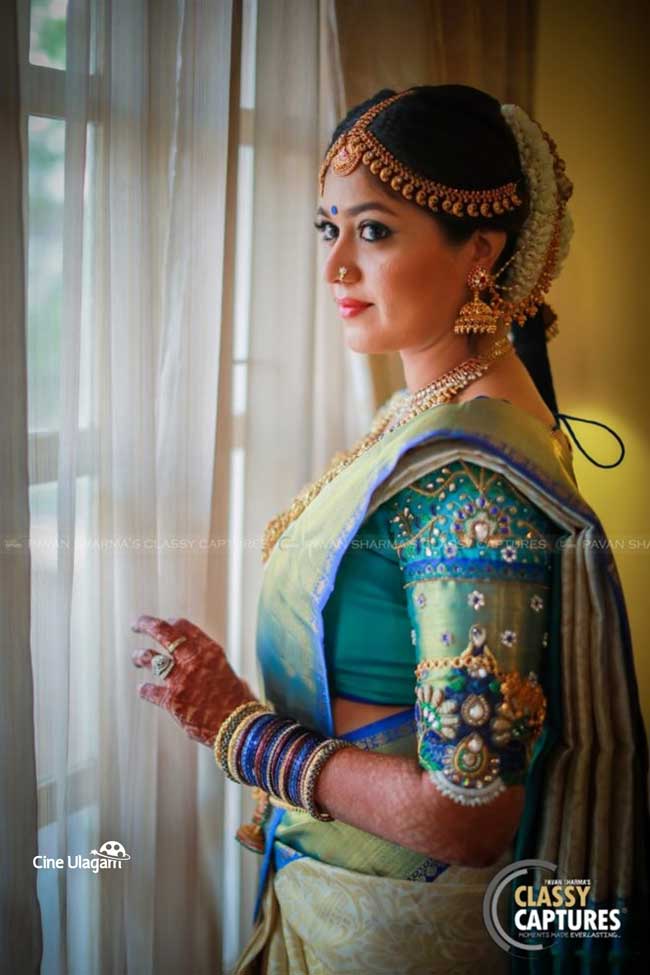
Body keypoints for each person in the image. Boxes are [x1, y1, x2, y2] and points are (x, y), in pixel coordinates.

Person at [131, 85, 649, 974]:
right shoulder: (420, 418)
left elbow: (468, 811)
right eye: (327, 228)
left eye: (372, 231)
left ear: (481, 249)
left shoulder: (469, 477)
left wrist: (237, 729)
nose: (336, 266)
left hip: (396, 936)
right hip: (346, 898)